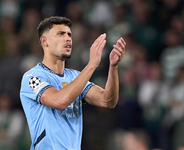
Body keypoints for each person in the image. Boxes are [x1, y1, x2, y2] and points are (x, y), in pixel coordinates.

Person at [20, 16, 126, 150]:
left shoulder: (75, 77)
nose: (68, 38)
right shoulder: (32, 77)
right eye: (60, 34)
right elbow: (59, 101)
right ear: (44, 41)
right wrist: (92, 65)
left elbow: (108, 101)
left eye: (69, 34)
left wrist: (113, 67)